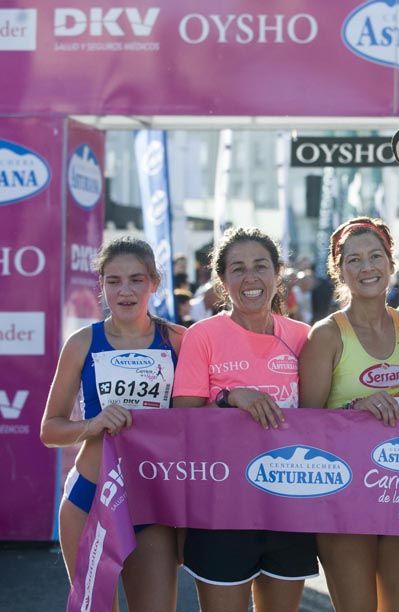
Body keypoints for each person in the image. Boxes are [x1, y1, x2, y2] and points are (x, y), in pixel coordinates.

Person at [172, 227, 317, 612]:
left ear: (277, 273)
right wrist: (228, 396)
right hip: (222, 507)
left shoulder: (304, 337)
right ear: (222, 280)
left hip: (289, 503)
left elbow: (325, 415)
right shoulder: (202, 336)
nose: (250, 278)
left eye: (260, 266)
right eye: (237, 268)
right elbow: (182, 420)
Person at [40, 236, 185, 612]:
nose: (125, 291)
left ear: (154, 282)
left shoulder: (179, 342)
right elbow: (50, 430)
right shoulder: (82, 342)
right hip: (90, 497)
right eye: (114, 280)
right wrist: (93, 425)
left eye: (137, 279)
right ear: (102, 285)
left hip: (153, 501)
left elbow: (202, 422)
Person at [298, 217, 399, 612]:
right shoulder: (326, 334)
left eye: (375, 257)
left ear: (391, 263)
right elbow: (305, 424)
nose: (366, 267)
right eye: (353, 260)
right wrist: (356, 408)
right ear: (339, 270)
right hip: (344, 495)